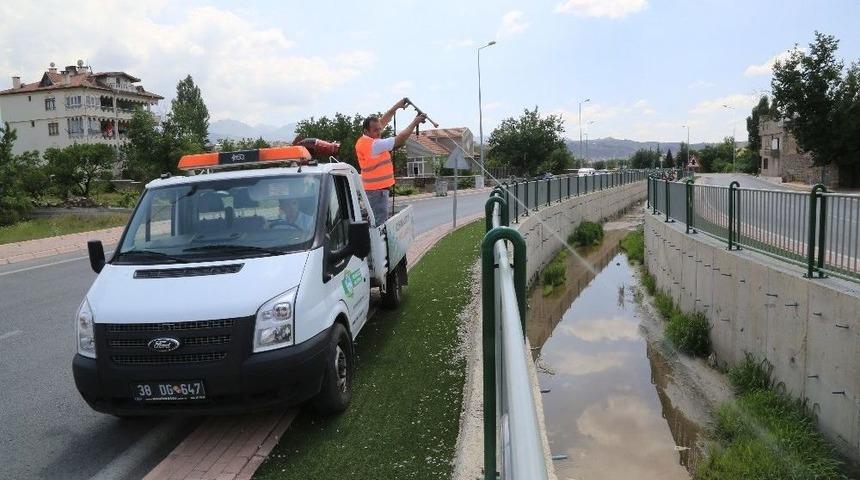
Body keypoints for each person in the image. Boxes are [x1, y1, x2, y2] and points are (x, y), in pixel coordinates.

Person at [355, 98, 426, 224]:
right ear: (366, 131)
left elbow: (383, 120)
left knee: (375, 220)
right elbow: (400, 139)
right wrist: (415, 122)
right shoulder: (374, 145)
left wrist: (396, 107)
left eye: (379, 129)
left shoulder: (364, 140)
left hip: (374, 190)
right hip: (377, 191)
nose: (379, 132)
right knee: (379, 223)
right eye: (376, 130)